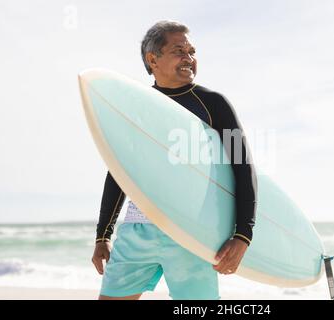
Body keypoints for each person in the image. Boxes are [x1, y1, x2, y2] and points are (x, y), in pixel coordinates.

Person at [91, 20, 257, 300]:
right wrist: (102, 235)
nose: (189, 59)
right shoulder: (135, 107)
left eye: (192, 51)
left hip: (191, 232)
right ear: (152, 59)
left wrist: (243, 234)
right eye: (179, 51)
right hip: (137, 230)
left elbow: (242, 167)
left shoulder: (213, 104)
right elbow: (118, 172)